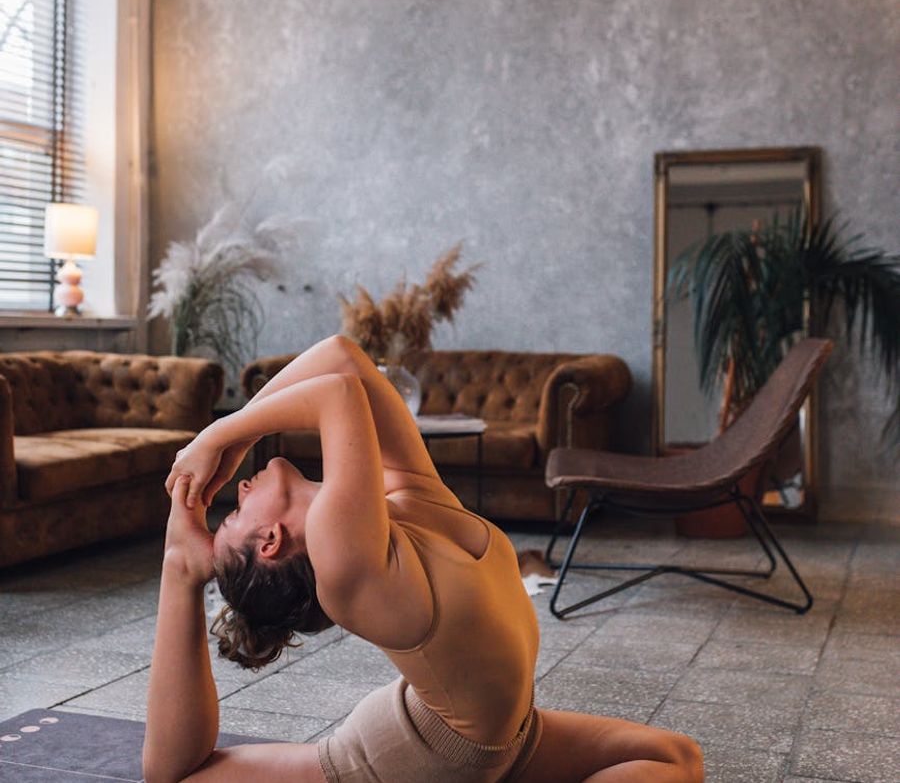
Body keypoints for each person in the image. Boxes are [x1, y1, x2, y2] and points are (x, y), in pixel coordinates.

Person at [143, 335, 703, 783]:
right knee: (180, 778)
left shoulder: (402, 504)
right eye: (234, 517)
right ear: (271, 542)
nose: (236, 492)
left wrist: (233, 436)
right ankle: (179, 568)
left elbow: (342, 355)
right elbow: (339, 392)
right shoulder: (342, 562)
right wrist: (222, 433)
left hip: (496, 744)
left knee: (676, 758)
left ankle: (183, 563)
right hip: (408, 766)